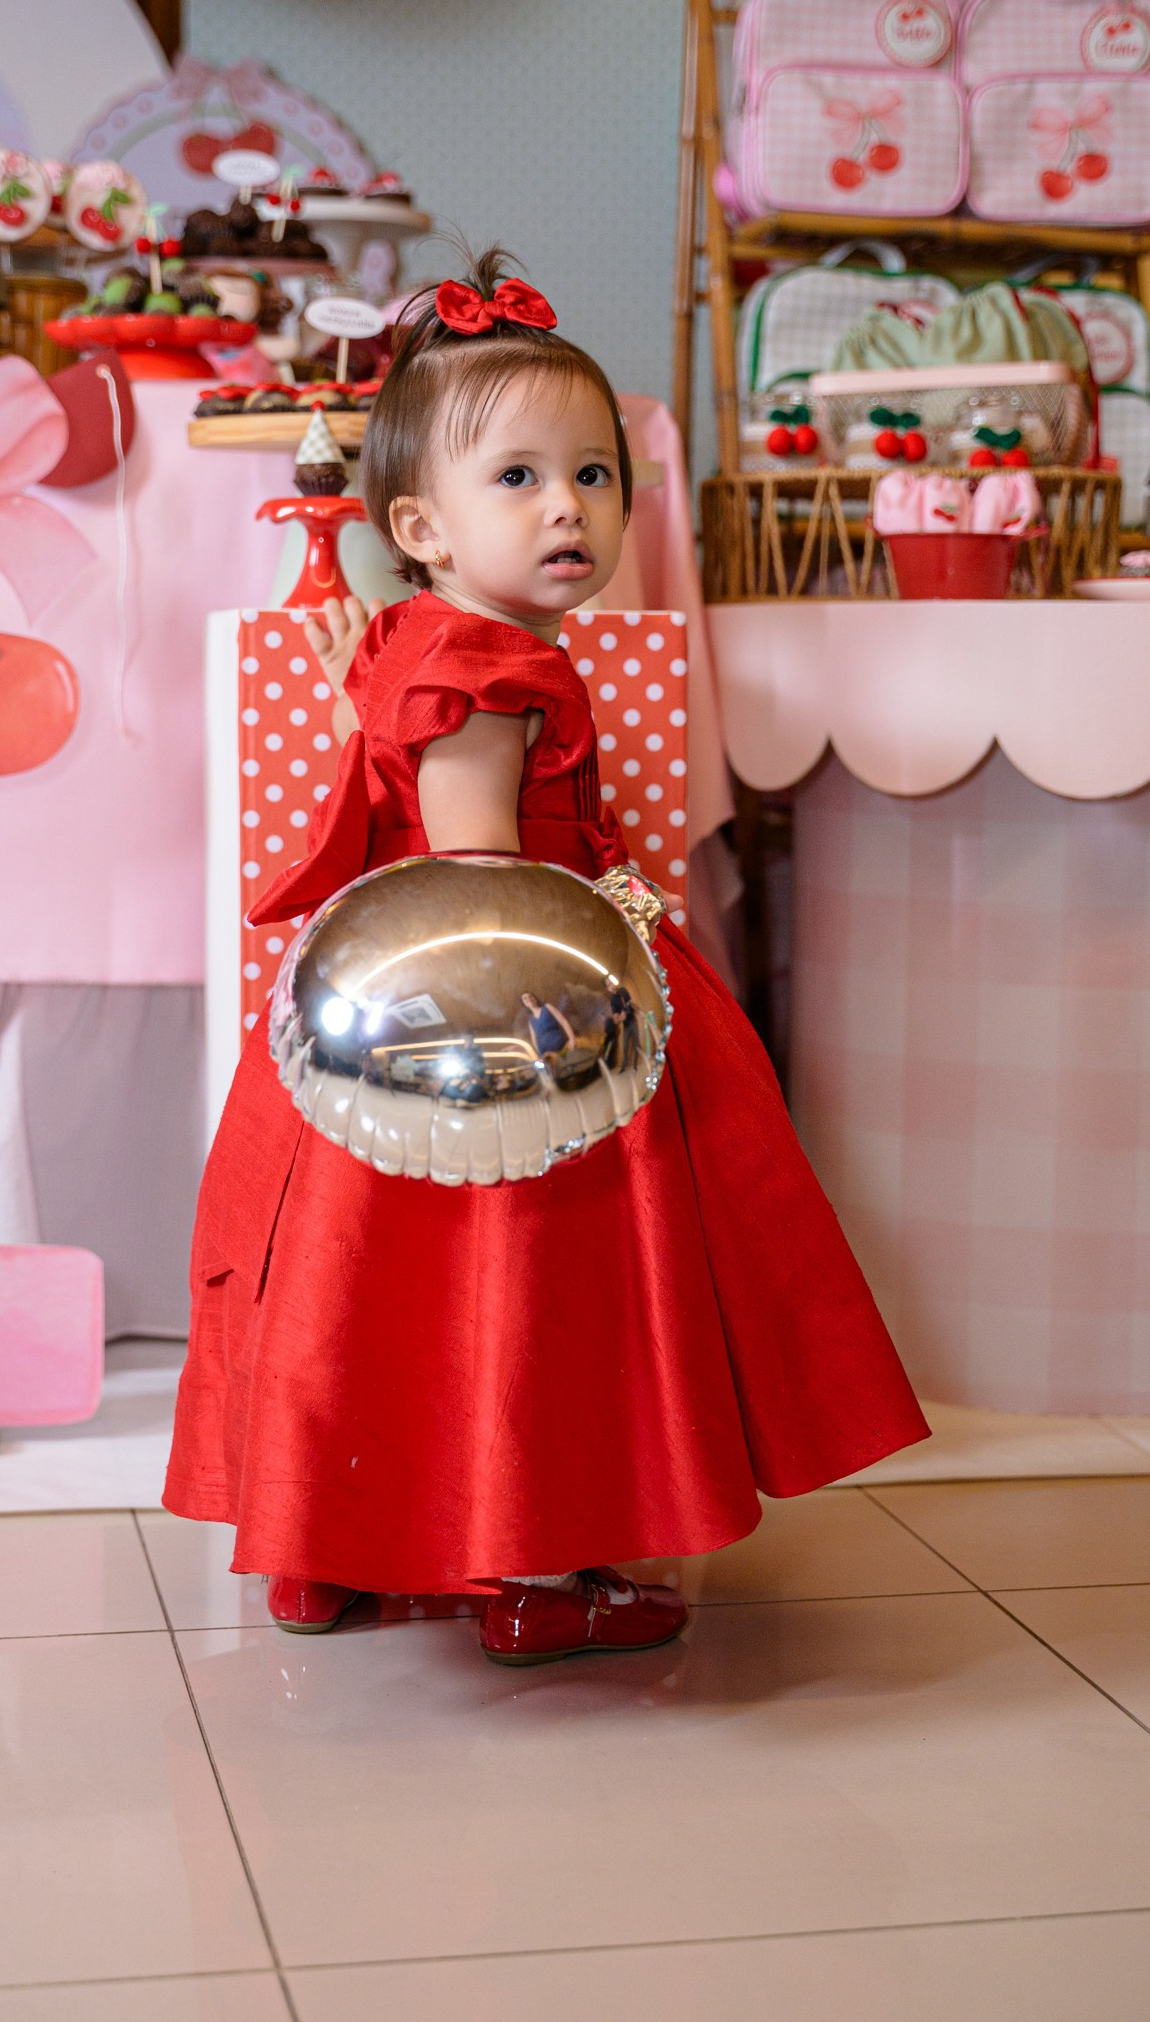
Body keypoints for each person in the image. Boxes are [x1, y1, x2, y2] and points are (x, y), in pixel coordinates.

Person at [164, 248, 928, 1666]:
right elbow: (479, 877)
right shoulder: (492, 668)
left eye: (593, 474)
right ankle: (535, 1563)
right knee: (526, 1276)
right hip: (489, 1000)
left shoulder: (414, 633)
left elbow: (396, 751)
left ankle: (326, 1545)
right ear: (421, 525)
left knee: (366, 1284)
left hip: (367, 1003)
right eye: (516, 478)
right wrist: (567, 1018)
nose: (567, 506)